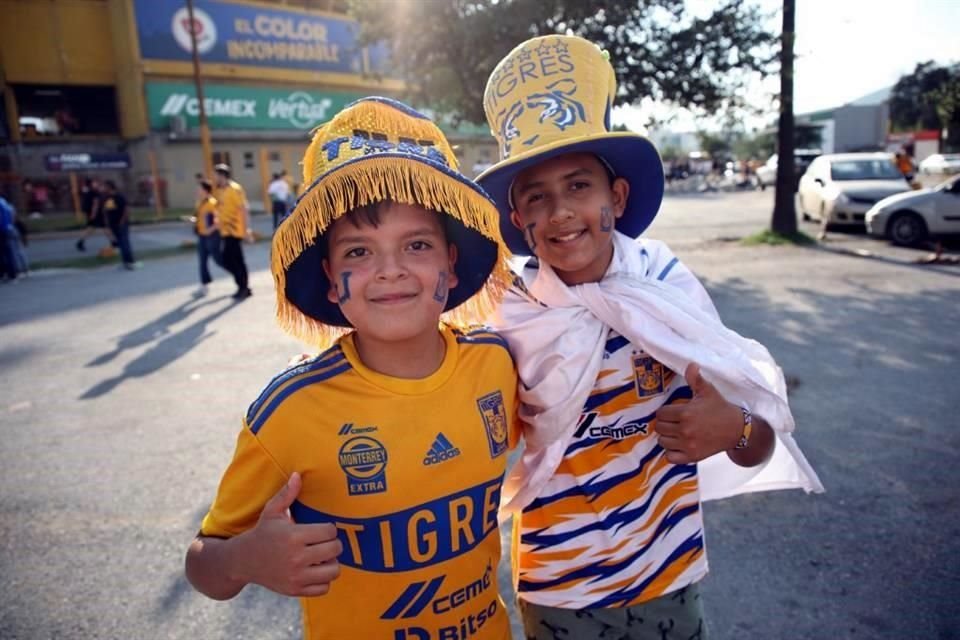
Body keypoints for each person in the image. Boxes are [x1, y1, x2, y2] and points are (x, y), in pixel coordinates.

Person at [476, 36, 824, 639]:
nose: (560, 212)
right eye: (537, 197)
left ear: (617, 197)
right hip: (561, 587)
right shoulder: (508, 313)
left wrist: (732, 427)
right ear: (520, 223)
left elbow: (757, 440)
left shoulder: (664, 284)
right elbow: (452, 415)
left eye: (579, 186)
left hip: (670, 573)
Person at [184, 97, 518, 640]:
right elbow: (204, 564)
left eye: (417, 244)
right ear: (329, 277)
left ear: (450, 265)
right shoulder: (287, 411)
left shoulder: (498, 363)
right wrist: (244, 559)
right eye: (359, 253)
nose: (390, 271)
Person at [212, 164, 253, 299]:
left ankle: (243, 286)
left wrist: (246, 229)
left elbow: (244, 209)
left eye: (216, 175)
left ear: (222, 175)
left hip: (235, 230)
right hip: (225, 230)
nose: (214, 178)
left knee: (232, 259)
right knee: (232, 259)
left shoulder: (234, 189)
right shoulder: (220, 191)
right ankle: (243, 286)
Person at [100, 180, 139, 270]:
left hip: (121, 223)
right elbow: (106, 210)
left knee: (124, 242)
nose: (103, 188)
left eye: (105, 186)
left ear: (110, 187)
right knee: (121, 243)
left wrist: (122, 221)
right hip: (113, 224)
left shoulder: (119, 196)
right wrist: (107, 222)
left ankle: (130, 261)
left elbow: (126, 209)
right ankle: (125, 262)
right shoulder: (106, 198)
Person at [194, 179, 223, 296]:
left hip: (212, 236)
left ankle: (235, 271)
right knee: (202, 260)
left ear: (205, 190)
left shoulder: (212, 203)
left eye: (199, 188)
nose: (196, 191)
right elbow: (201, 218)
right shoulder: (199, 203)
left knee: (218, 259)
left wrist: (210, 230)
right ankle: (204, 284)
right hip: (202, 236)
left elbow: (218, 221)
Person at [75, 178, 113, 252]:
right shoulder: (94, 193)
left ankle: (113, 242)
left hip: (93, 213)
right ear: (91, 184)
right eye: (94, 183)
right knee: (91, 229)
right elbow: (95, 204)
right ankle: (80, 242)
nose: (96, 184)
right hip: (96, 213)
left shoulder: (88, 191)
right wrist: (93, 214)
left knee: (104, 227)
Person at [1, 195, 29, 281]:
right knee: (15, 250)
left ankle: (15, 271)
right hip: (10, 228)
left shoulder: (3, 206)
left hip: (6, 229)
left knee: (11, 252)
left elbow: (11, 218)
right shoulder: (6, 205)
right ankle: (22, 270)